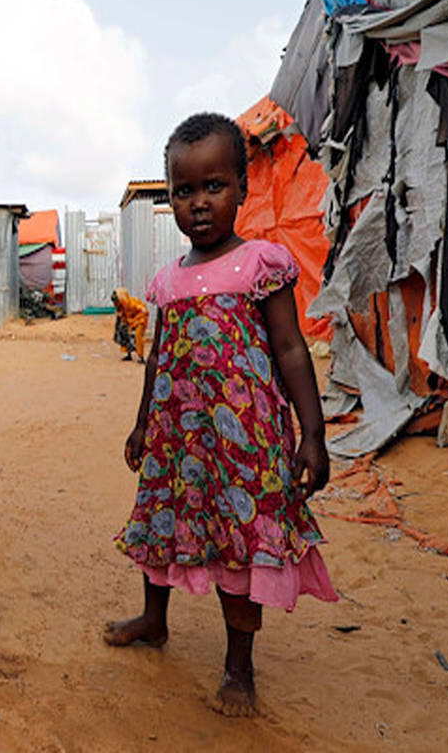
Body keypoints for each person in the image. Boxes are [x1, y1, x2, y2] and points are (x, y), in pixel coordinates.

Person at [105, 113, 338, 717]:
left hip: (243, 448)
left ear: (243, 186)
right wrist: (142, 423)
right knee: (160, 525)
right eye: (184, 191)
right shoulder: (167, 281)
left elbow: (290, 350)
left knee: (240, 543)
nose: (200, 203)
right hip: (176, 443)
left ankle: (239, 668)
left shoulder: (261, 263)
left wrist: (312, 435)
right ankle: (154, 621)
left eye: (214, 186)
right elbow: (158, 359)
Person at [111, 287, 149, 361]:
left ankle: (141, 356)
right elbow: (123, 316)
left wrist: (134, 321)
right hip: (131, 322)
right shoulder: (122, 307)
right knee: (124, 332)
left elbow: (144, 312)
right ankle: (129, 353)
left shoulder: (134, 304)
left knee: (138, 335)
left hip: (140, 321)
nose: (115, 304)